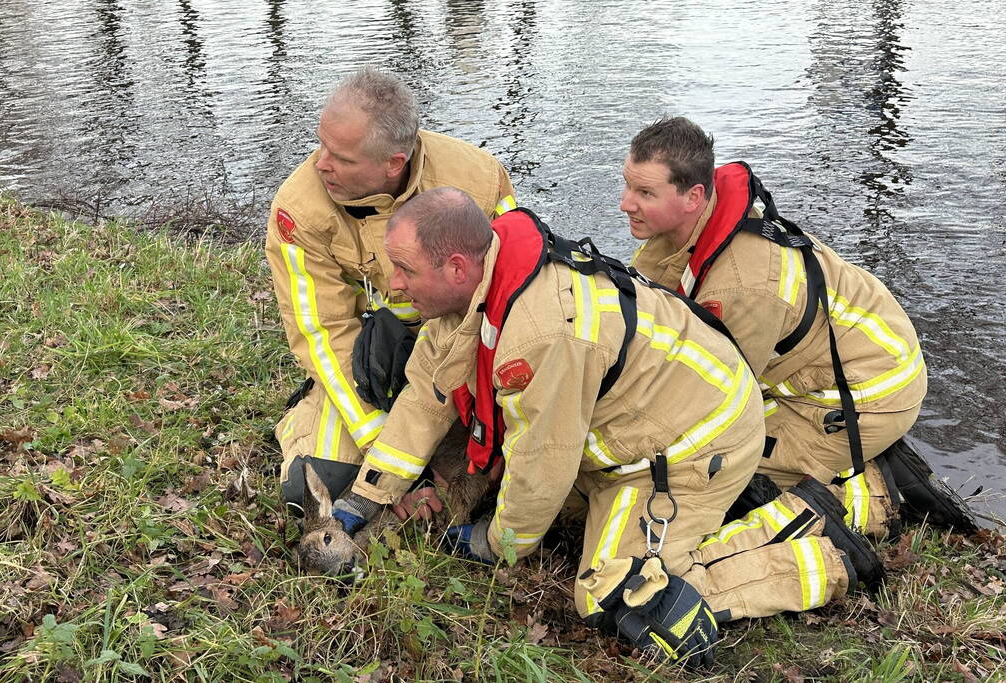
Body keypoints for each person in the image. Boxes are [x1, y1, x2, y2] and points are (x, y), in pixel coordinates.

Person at [325, 188, 884, 668]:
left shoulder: (540, 333)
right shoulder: (473, 292)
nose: (393, 286)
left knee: (613, 593)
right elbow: (425, 397)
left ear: (454, 267)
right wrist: (366, 496)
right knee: (531, 497)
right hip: (634, 425)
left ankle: (818, 546)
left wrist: (497, 544)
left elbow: (544, 458)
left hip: (687, 446)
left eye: (405, 270)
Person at [619, 116, 938, 540]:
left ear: (694, 194)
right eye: (627, 185)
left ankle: (870, 497)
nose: (625, 203)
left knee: (712, 461)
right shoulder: (688, 226)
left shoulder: (742, 283)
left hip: (869, 390)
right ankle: (844, 457)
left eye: (644, 193)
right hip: (827, 361)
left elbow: (716, 397)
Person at [265, 67, 516, 507]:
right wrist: (381, 444)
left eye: (341, 157)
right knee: (315, 489)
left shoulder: (479, 178)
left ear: (393, 164)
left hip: (462, 357)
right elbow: (323, 333)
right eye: (320, 143)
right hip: (369, 367)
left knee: (510, 479)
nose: (320, 163)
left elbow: (513, 297)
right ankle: (303, 420)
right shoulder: (300, 209)